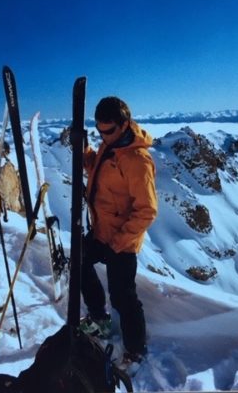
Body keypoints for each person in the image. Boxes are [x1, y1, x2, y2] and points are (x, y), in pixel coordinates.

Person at [80, 96, 158, 366]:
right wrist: (84, 150)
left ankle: (136, 349)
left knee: (123, 297)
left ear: (124, 124)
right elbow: (97, 169)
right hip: (102, 229)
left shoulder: (137, 160)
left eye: (109, 130)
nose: (104, 136)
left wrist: (119, 242)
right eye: (99, 131)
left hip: (122, 240)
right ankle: (99, 320)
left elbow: (147, 210)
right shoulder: (110, 144)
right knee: (79, 262)